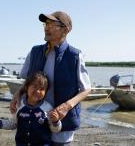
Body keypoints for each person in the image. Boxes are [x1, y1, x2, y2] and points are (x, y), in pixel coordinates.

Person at [10, 11, 91, 145]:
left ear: (65, 29)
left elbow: (86, 89)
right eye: (45, 24)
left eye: (51, 24)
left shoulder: (75, 55)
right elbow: (27, 82)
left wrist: (66, 107)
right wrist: (17, 94)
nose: (47, 27)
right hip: (36, 122)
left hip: (62, 124)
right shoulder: (35, 51)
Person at [0, 71, 62, 146]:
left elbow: (55, 130)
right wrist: (0, 123)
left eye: (42, 89)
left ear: (46, 92)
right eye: (35, 86)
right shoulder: (19, 106)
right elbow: (13, 123)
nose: (38, 91)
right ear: (26, 87)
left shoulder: (48, 108)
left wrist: (55, 121)